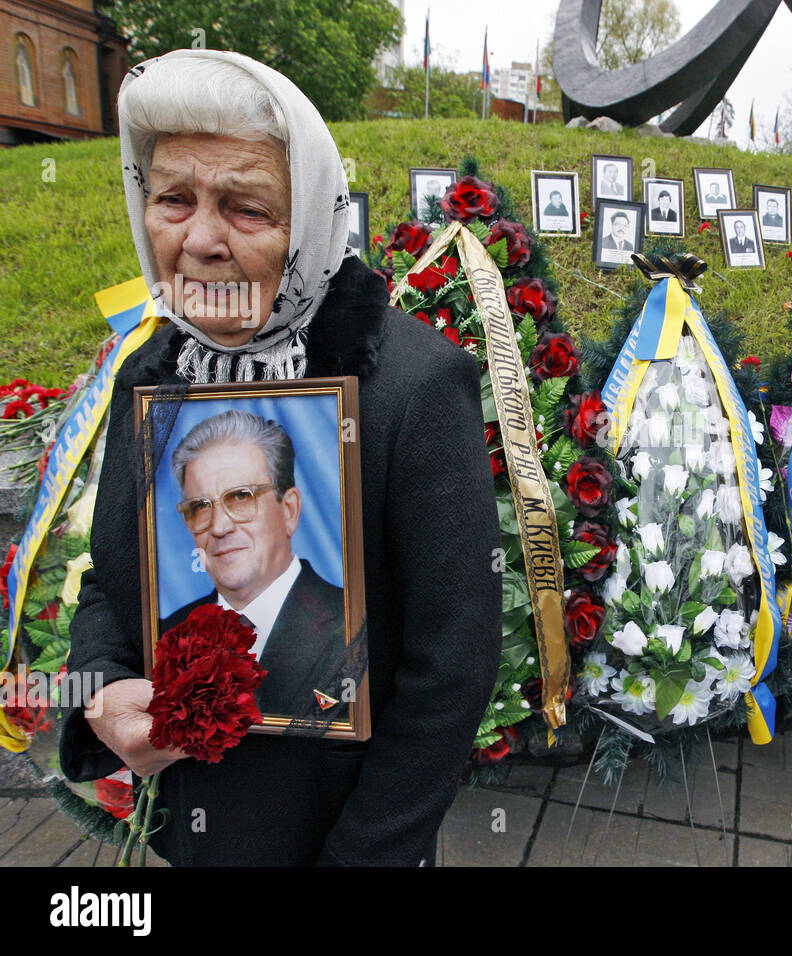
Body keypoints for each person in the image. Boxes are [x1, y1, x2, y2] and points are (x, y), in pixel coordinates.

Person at [59, 50, 502, 866]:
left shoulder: (412, 383)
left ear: (310, 215)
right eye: (173, 200)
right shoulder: (148, 374)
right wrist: (103, 688)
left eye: (247, 209)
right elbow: (110, 580)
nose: (199, 241)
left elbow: (453, 664)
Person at [161, 410, 347, 719]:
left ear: (288, 510)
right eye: (200, 507)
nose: (219, 527)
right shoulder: (167, 635)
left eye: (240, 498)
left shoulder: (354, 623)